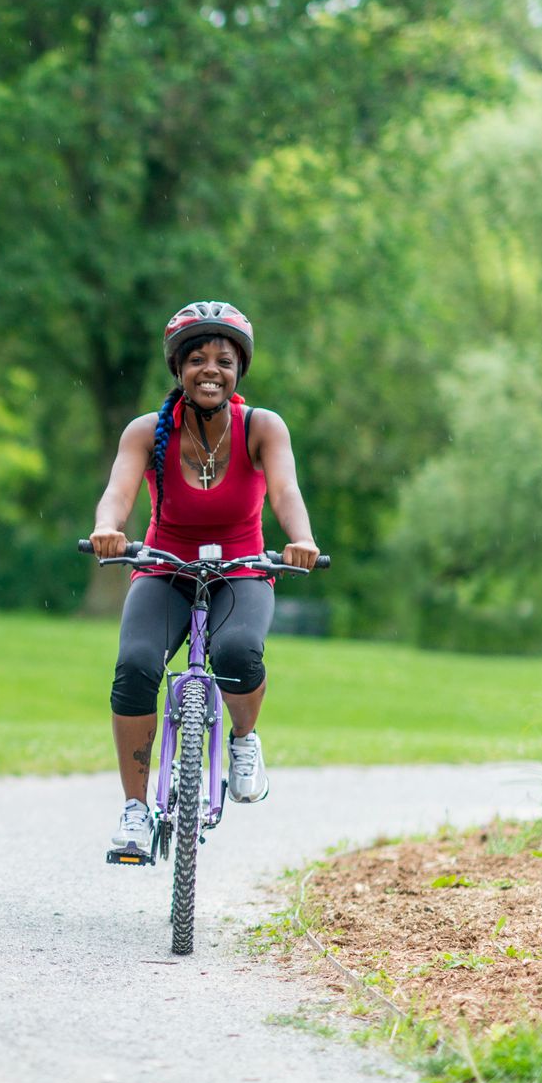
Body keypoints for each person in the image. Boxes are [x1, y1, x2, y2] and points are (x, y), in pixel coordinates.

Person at [86, 301, 321, 862]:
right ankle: (136, 809)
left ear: (239, 370)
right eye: (197, 359)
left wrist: (302, 539)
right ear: (178, 369)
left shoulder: (262, 427)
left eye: (223, 359)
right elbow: (118, 492)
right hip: (165, 565)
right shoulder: (147, 431)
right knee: (136, 667)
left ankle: (243, 740)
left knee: (239, 652)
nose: (210, 369)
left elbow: (285, 491)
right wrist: (106, 528)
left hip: (242, 568)